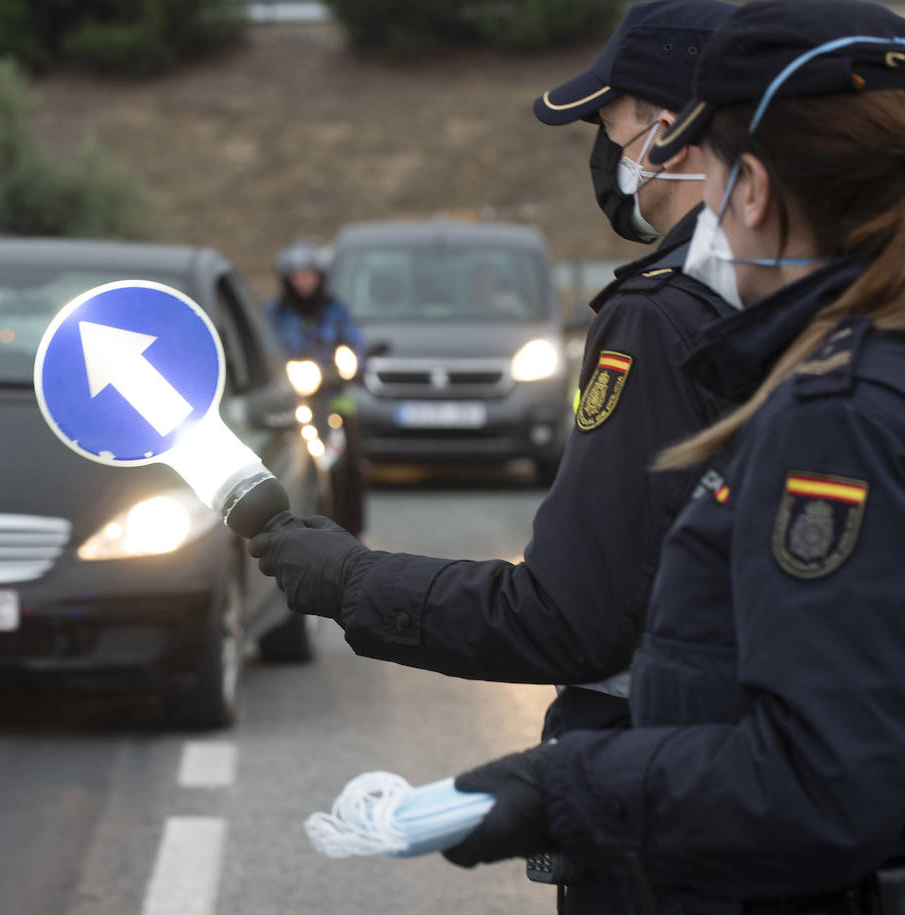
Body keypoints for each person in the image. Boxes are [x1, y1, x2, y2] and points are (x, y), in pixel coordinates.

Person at [437, 2, 905, 912]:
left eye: (716, 169)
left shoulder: (840, 417)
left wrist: (558, 784)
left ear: (754, 190)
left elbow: (813, 777)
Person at [250, 1, 735, 909]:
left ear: (669, 134)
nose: (603, 148)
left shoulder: (663, 317)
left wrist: (351, 578)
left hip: (663, 808)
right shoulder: (838, 295)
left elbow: (571, 618)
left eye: (611, 122)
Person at [264, 240, 369, 536]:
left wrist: (351, 362)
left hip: (334, 397)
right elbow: (264, 349)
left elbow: (355, 344)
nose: (304, 281)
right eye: (298, 276)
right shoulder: (273, 313)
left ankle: (350, 529)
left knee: (349, 462)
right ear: (287, 279)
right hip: (290, 399)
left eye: (310, 275)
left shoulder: (335, 310)